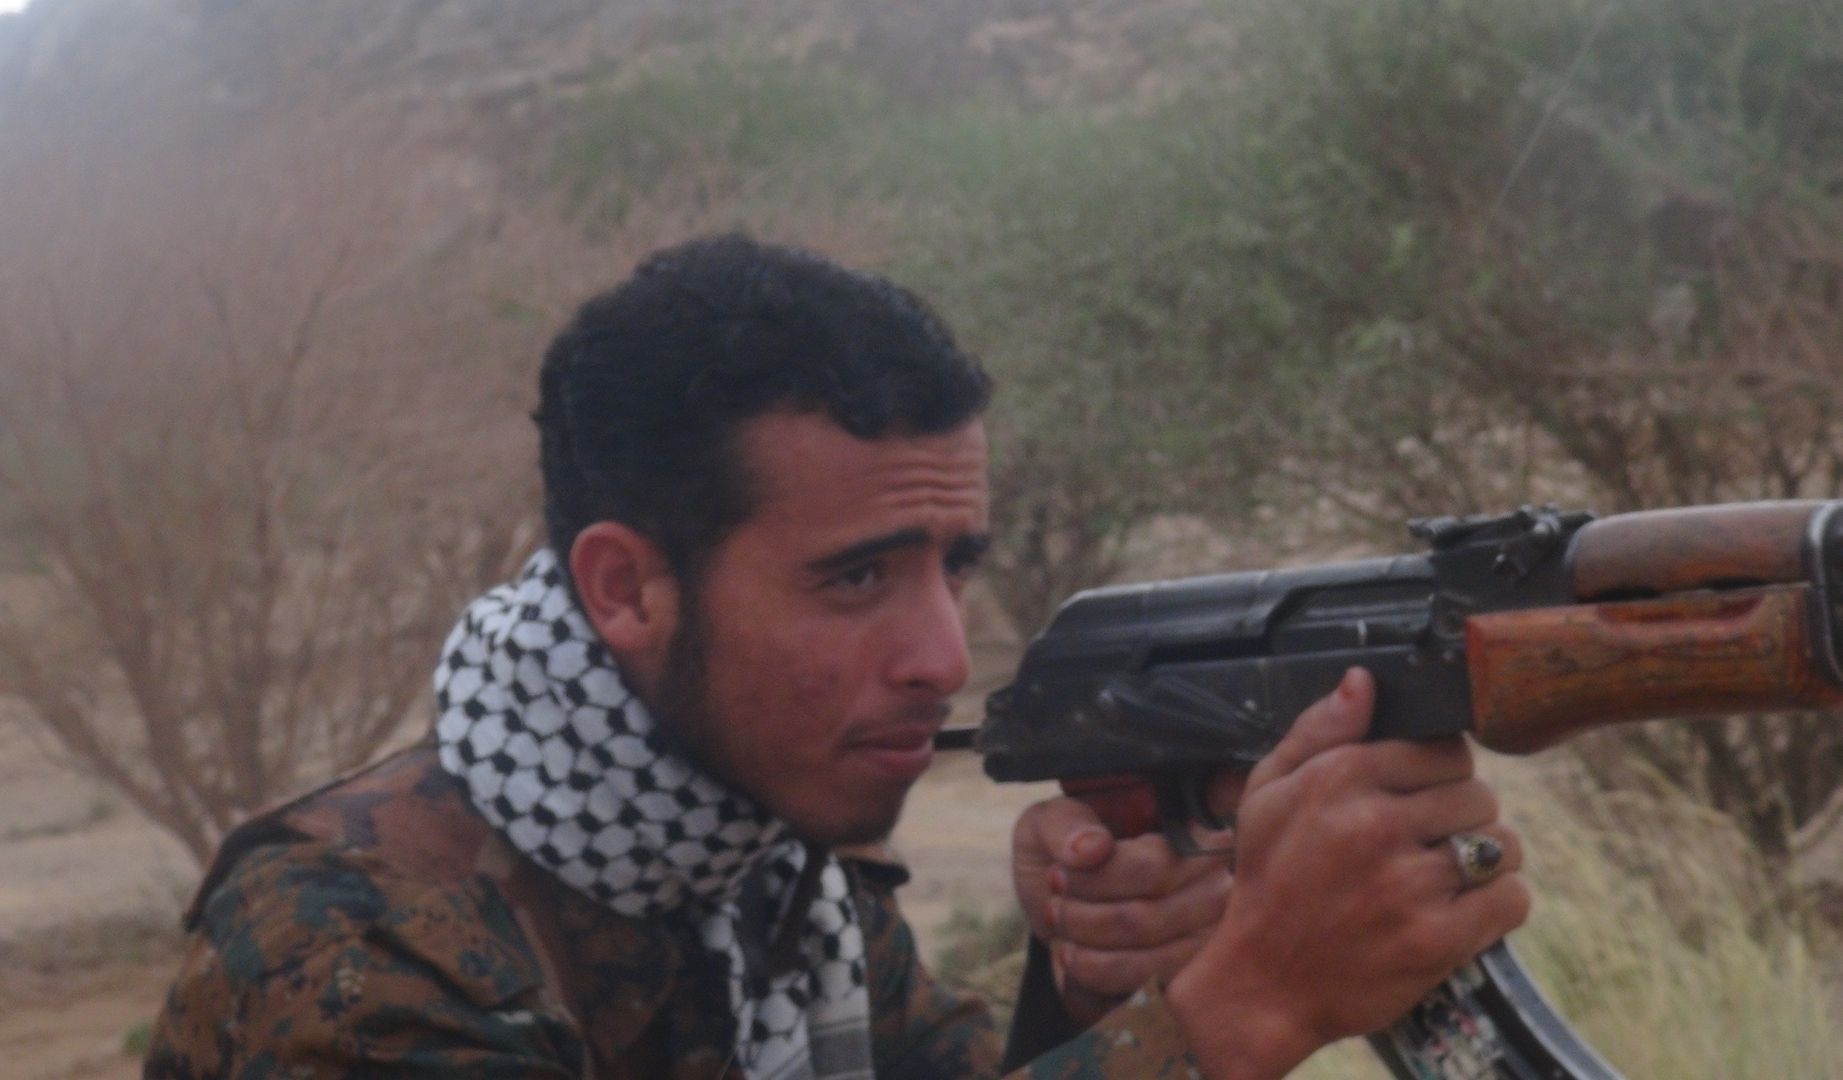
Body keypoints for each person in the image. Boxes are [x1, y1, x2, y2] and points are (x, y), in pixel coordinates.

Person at [142, 235, 1527, 1080]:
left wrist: (1100, 985)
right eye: (856, 576)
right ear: (628, 589)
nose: (941, 653)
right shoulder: (351, 947)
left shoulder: (769, 875)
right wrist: (1244, 1007)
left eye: (954, 565)